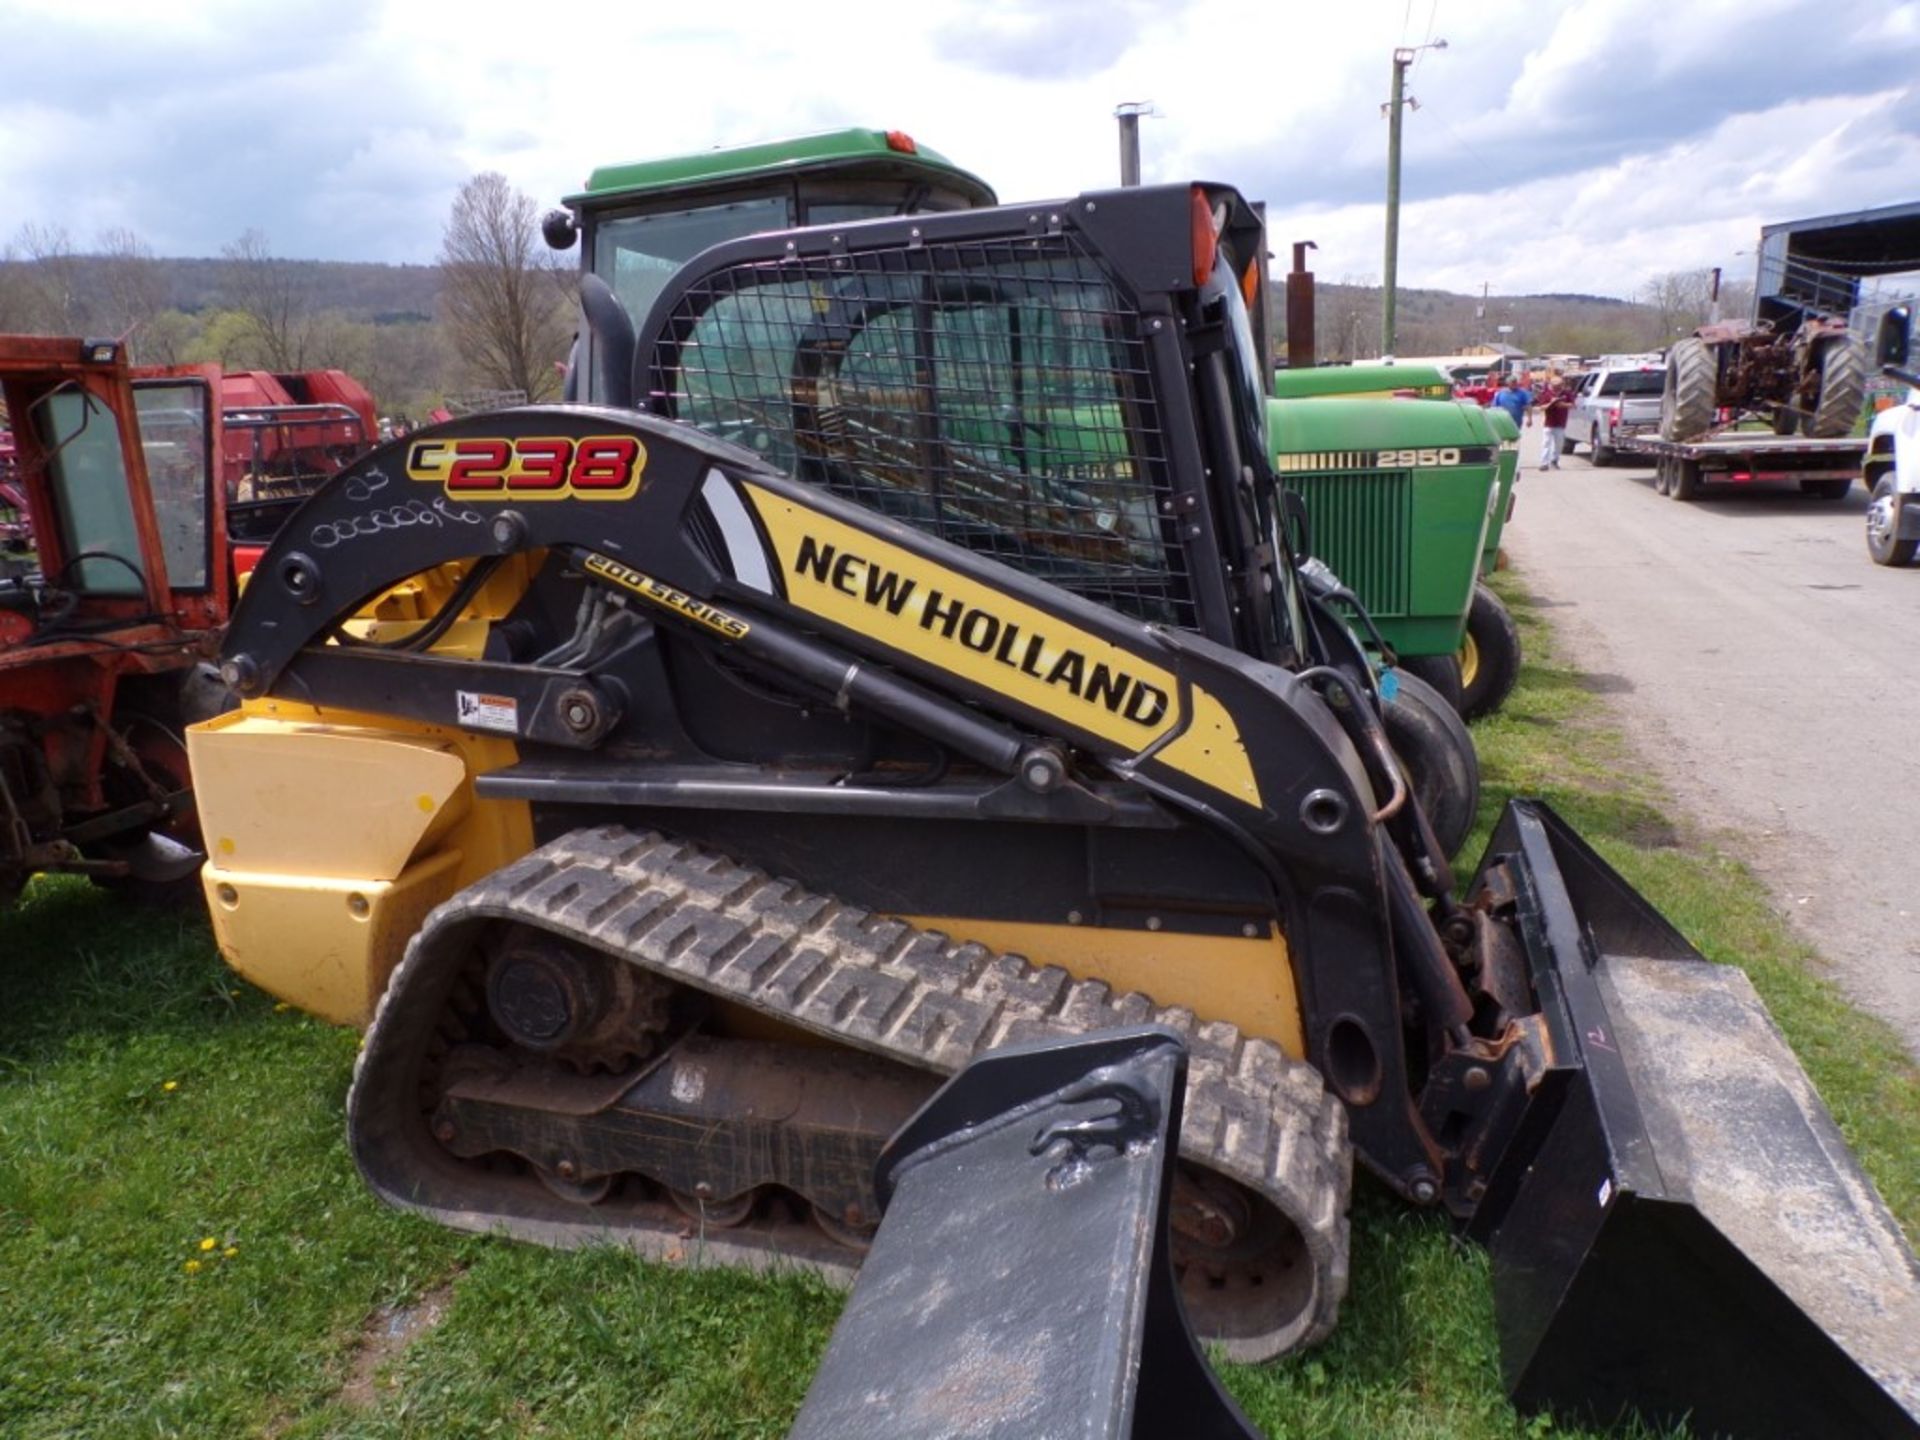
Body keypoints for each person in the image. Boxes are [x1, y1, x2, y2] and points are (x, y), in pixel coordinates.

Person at [1537, 376, 1573, 469]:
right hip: (1549, 423)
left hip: (1561, 423)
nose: (1559, 387)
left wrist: (1562, 405)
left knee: (1559, 444)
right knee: (1546, 443)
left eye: (1560, 385)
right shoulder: (1546, 394)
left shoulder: (1566, 393)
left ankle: (1554, 460)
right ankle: (1544, 463)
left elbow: (1572, 404)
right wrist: (1550, 404)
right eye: (1556, 385)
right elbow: (1541, 407)